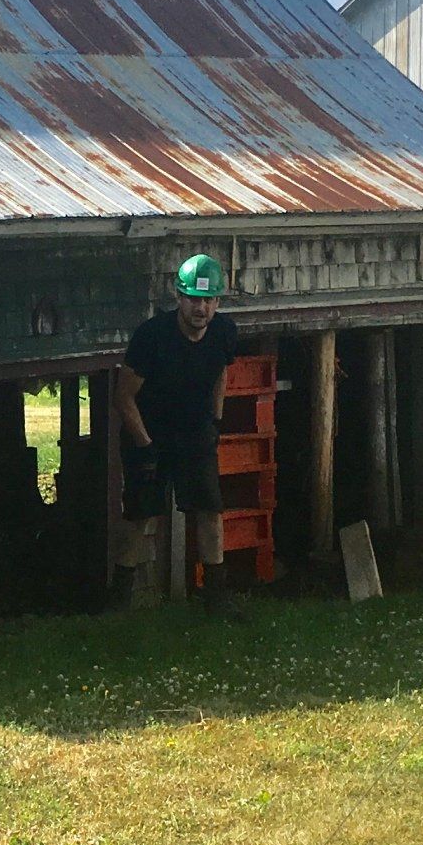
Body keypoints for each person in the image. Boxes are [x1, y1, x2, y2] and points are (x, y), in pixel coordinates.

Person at [111, 254, 244, 615]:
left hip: (194, 431)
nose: (200, 308)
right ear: (179, 299)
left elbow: (221, 374)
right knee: (140, 514)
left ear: (217, 302)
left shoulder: (224, 333)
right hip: (148, 432)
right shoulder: (151, 336)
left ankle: (217, 596)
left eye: (208, 300)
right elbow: (123, 397)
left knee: (209, 509)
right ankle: (119, 599)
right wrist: (145, 445)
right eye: (193, 299)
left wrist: (214, 422)